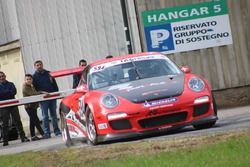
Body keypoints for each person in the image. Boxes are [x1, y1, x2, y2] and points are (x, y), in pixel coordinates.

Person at [32, 60, 61, 138]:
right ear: (35, 67)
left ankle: (57, 131)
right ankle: (47, 133)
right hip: (43, 99)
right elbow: (35, 89)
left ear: (42, 65)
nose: (39, 66)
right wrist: (40, 95)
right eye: (37, 65)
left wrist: (55, 93)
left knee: (54, 115)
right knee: (45, 116)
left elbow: (54, 84)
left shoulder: (48, 73)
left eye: (40, 64)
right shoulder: (34, 77)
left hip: (52, 97)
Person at [0, 71, 30, 146]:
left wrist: (4, 93)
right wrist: (7, 93)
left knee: (18, 121)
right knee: (5, 124)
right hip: (3, 107)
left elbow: (14, 92)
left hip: (13, 105)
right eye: (0, 77)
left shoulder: (11, 84)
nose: (1, 78)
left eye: (2, 76)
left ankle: (23, 137)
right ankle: (5, 140)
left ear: (5, 76)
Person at [22, 74, 46, 141]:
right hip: (29, 107)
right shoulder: (25, 87)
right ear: (25, 80)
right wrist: (42, 92)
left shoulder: (31, 86)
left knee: (32, 122)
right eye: (27, 79)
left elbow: (34, 92)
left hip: (33, 106)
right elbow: (33, 94)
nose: (29, 80)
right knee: (36, 120)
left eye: (30, 79)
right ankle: (43, 134)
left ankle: (33, 136)